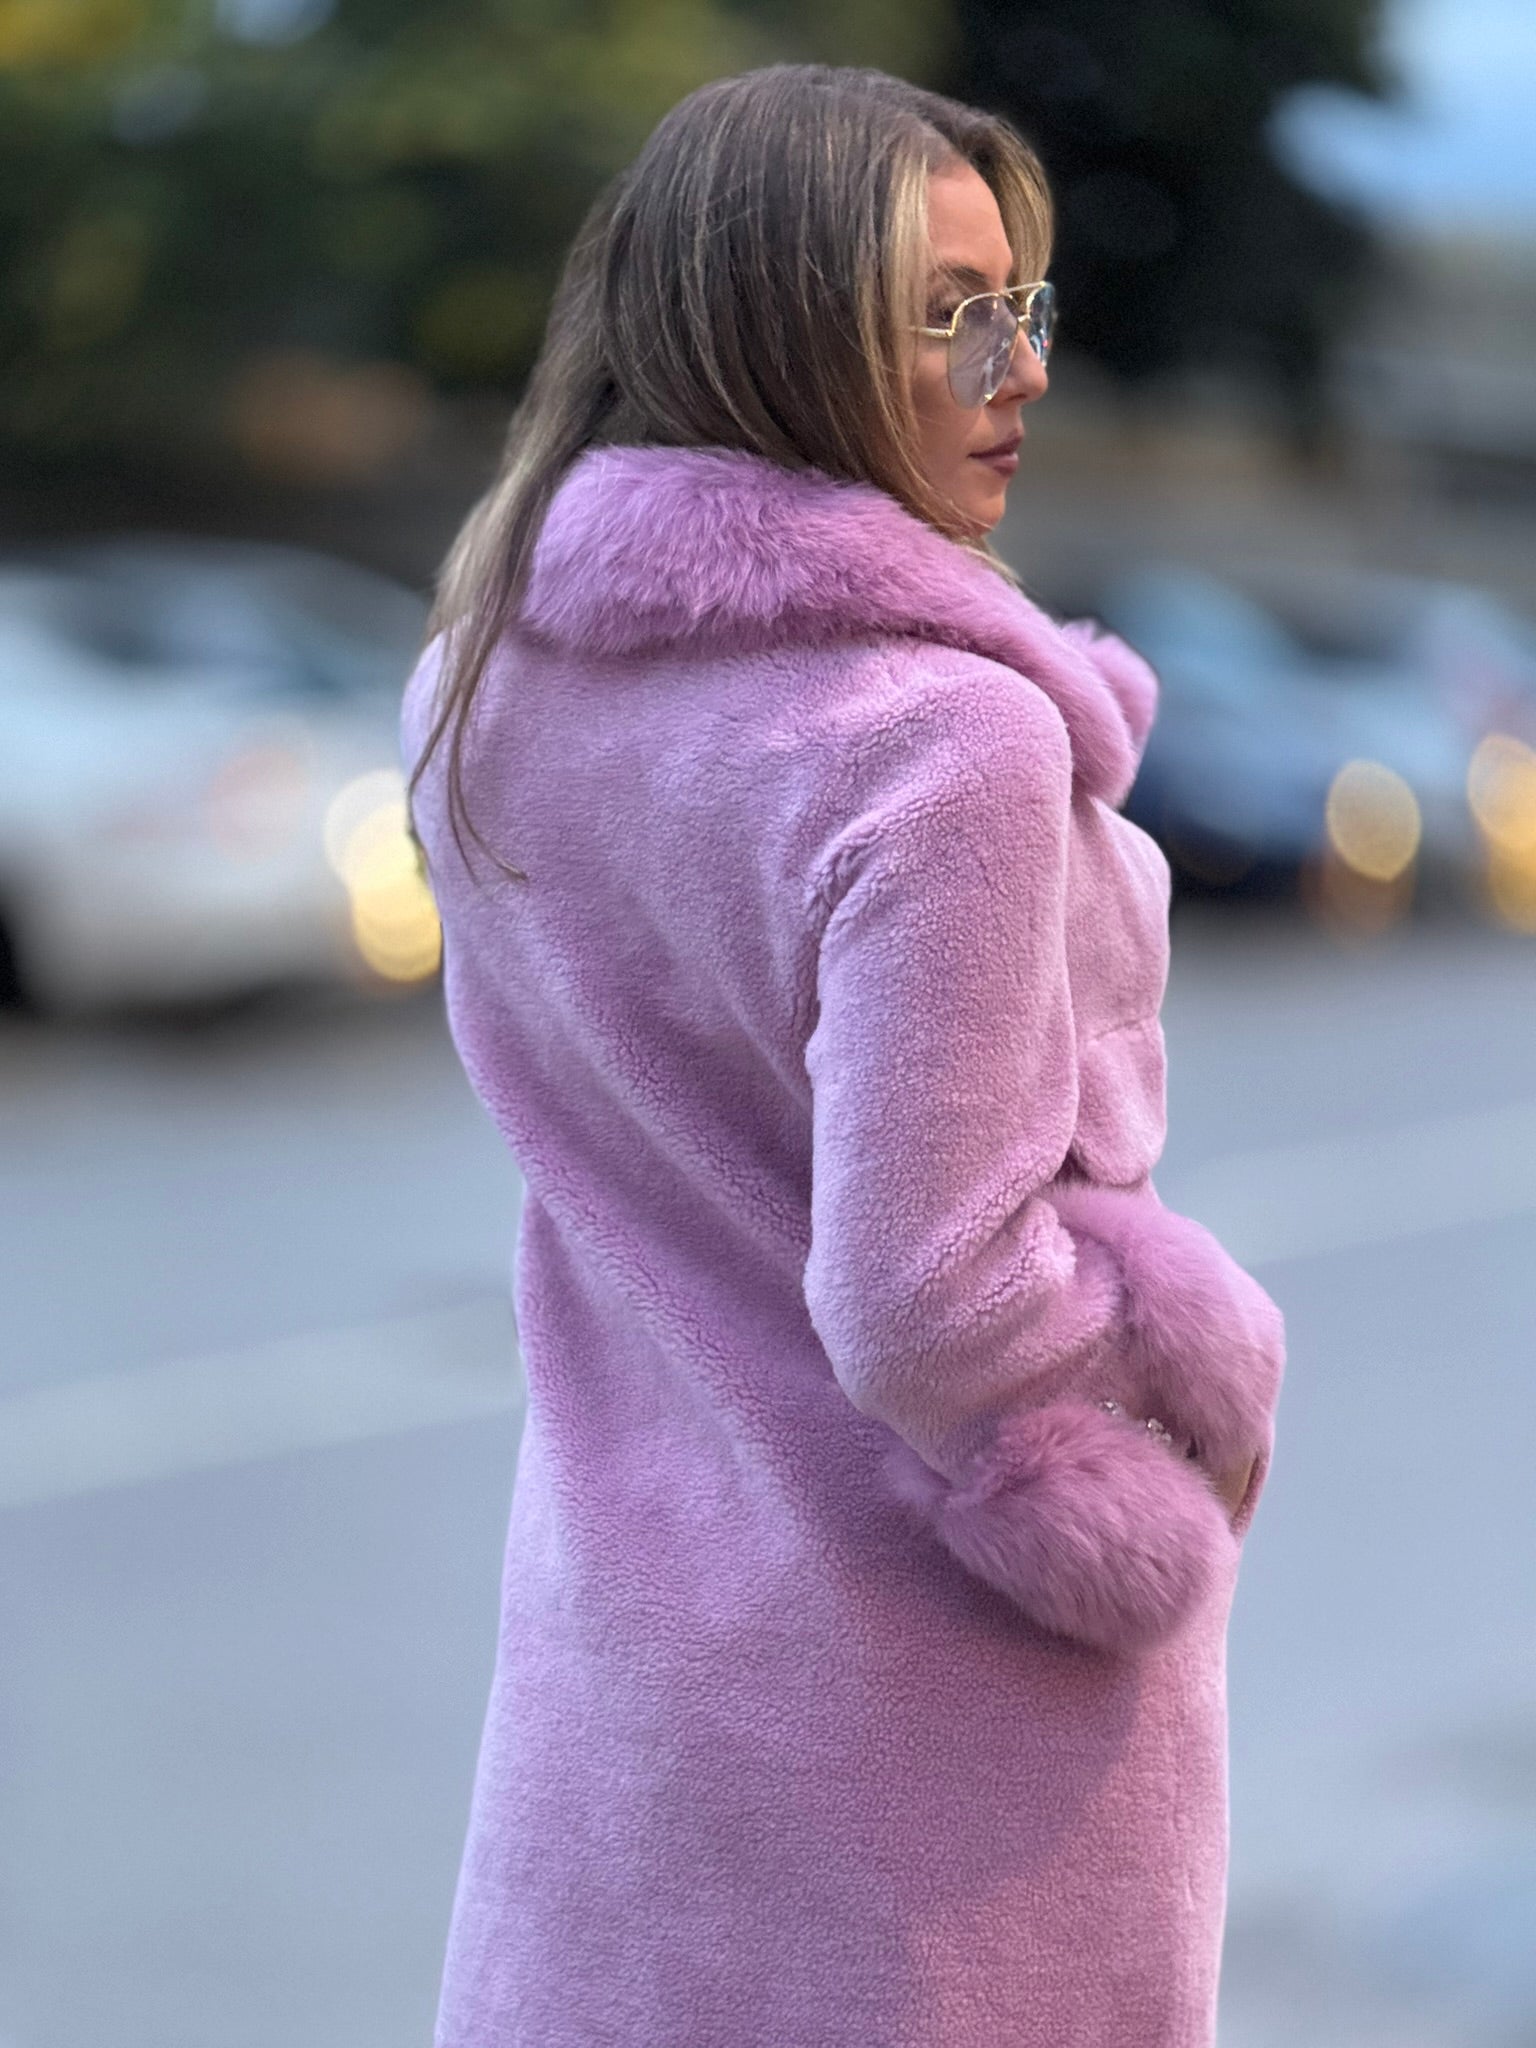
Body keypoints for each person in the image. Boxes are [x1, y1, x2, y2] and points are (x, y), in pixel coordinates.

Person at [401, 61, 1286, 2048]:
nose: (1020, 367)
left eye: (1021, 303)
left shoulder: (479, 678)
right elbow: (933, 1301)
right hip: (922, 1739)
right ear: (777, 335)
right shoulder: (936, 743)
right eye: (946, 313)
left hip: (623, 1667)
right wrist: (1172, 1430)